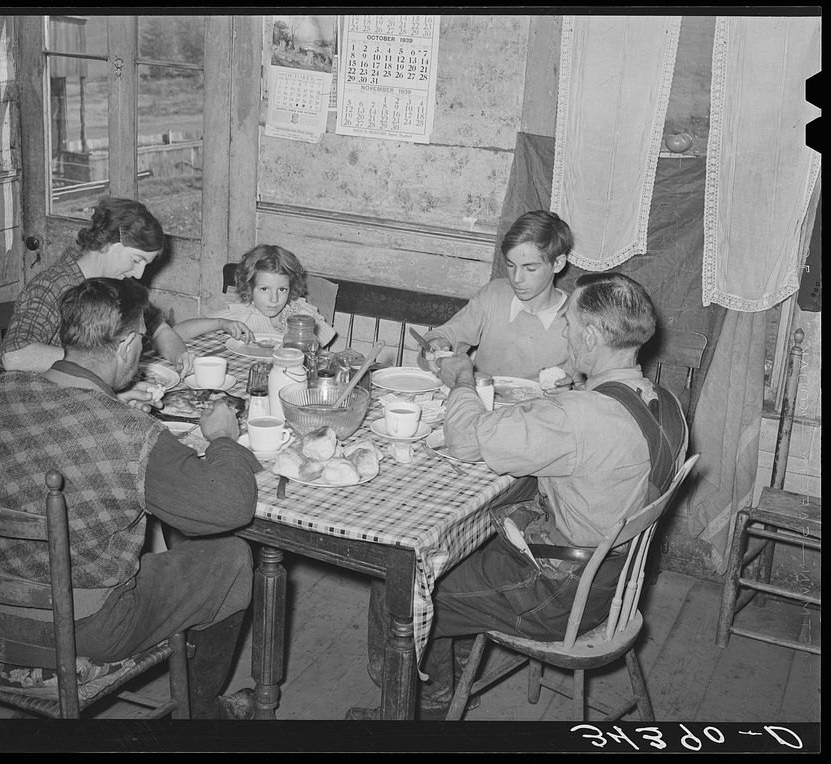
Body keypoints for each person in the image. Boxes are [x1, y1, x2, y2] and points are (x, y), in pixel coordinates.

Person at [358, 272, 687, 720]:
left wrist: (462, 381)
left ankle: (419, 709)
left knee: (399, 581)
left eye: (568, 322)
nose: (564, 331)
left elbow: (466, 440)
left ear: (591, 336)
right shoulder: (663, 402)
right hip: (615, 578)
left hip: (562, 592)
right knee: (465, 538)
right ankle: (450, 673)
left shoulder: (581, 415)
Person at [0, 276, 262, 720]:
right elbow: (229, 506)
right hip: (81, 628)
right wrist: (223, 439)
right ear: (123, 346)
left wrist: (113, 398)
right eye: (141, 340)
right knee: (231, 557)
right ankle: (203, 714)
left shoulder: (0, 392)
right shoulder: (129, 432)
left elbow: (60, 429)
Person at [0, 197, 196, 378]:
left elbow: (159, 330)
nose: (139, 274)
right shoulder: (51, 286)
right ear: (107, 244)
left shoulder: (118, 285)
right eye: (136, 260)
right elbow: (14, 356)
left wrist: (180, 356)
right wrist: (102, 363)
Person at [421, 210, 575, 381]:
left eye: (530, 268)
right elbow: (444, 336)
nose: (516, 279)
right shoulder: (495, 295)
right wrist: (434, 345)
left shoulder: (576, 317)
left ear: (558, 264)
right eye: (510, 265)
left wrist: (568, 387)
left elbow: (585, 388)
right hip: (481, 404)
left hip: (541, 407)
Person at [177, 244, 336, 347]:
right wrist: (220, 323)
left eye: (282, 290)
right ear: (249, 287)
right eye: (264, 289)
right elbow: (176, 333)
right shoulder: (243, 315)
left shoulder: (303, 316)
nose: (274, 299)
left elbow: (321, 353)